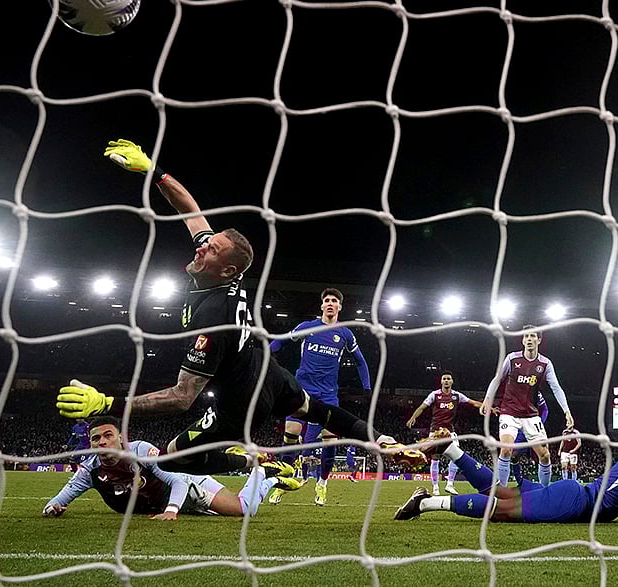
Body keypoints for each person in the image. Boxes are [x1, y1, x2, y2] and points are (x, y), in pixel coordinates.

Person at [55, 139, 424, 477]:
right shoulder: (217, 271)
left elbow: (183, 397)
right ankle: (385, 442)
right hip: (271, 372)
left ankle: (253, 461)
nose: (201, 247)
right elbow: (190, 210)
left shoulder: (214, 317)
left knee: (172, 455)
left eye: (210, 249)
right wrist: (154, 172)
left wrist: (110, 402)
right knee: (319, 411)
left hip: (243, 401)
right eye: (207, 243)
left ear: (228, 269)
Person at [395, 430, 618, 527]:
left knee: (503, 493)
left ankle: (452, 450)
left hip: (573, 497)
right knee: (503, 509)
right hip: (576, 501)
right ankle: (426, 503)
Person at [41, 416, 303, 520]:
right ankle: (268, 478)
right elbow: (58, 500)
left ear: (121, 437)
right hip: (173, 503)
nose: (102, 442)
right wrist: (53, 508)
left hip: (189, 485)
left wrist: (171, 511)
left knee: (244, 511)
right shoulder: (90, 470)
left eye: (108, 435)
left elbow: (177, 480)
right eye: (96, 438)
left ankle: (263, 473)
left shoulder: (141, 451)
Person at [267, 288, 372, 506]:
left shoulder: (345, 334)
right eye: (327, 300)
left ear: (340, 307)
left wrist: (367, 387)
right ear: (322, 306)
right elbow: (281, 341)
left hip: (328, 394)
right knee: (291, 434)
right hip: (302, 390)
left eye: (335, 300)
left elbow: (361, 361)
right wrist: (266, 357)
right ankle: (283, 481)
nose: (331, 303)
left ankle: (322, 484)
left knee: (330, 440)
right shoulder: (308, 327)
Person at [479, 325, 574, 487]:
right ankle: (501, 492)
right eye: (526, 337)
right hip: (509, 412)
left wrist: (567, 411)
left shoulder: (545, 363)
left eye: (532, 336)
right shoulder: (512, 359)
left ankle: (545, 493)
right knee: (506, 449)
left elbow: (556, 387)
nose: (529, 339)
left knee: (544, 455)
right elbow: (497, 379)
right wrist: (487, 399)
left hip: (531, 415)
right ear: (523, 340)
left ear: (539, 340)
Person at [406, 371, 483, 495]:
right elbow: (422, 407)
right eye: (444, 379)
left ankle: (450, 484)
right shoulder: (435, 395)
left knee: (456, 456)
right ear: (441, 381)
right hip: (435, 431)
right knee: (435, 458)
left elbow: (473, 403)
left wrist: (487, 407)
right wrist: (413, 417)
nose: (446, 380)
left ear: (452, 381)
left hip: (450, 431)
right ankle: (435, 487)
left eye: (448, 378)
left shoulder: (457, 396)